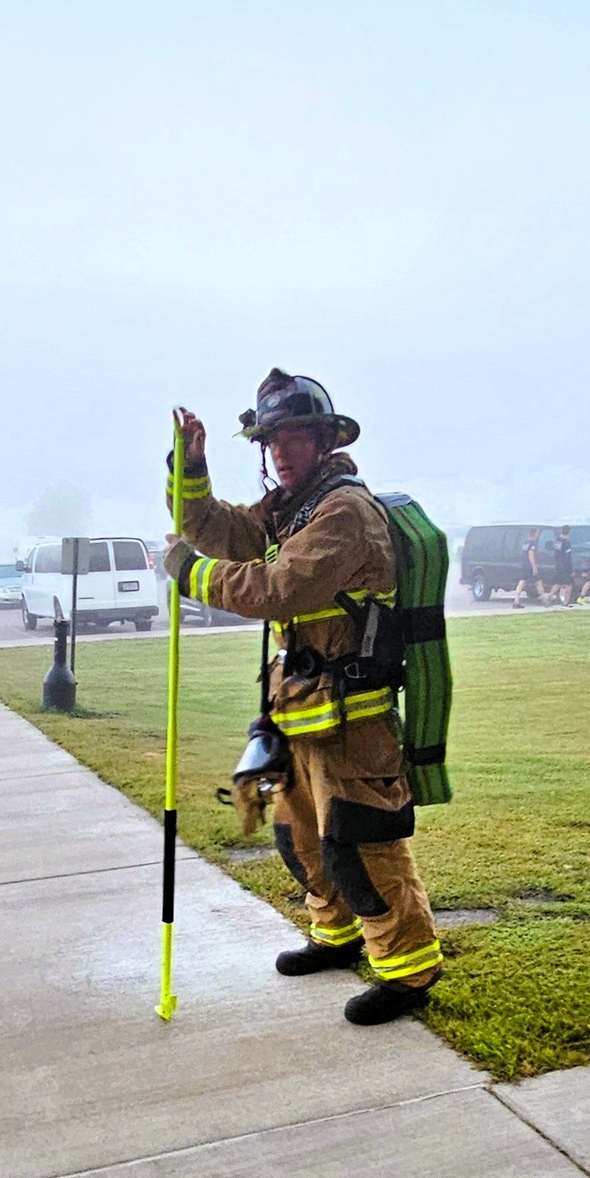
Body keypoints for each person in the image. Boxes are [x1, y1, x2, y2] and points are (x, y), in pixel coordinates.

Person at [163, 368, 443, 1026]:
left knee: (362, 845)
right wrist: (191, 467)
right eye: (269, 442)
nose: (278, 453)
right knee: (302, 837)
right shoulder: (293, 508)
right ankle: (335, 933)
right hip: (304, 712)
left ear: (323, 438)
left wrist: (189, 574)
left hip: (356, 721)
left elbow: (276, 589)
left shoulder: (344, 511)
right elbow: (214, 526)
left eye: (291, 438)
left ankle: (408, 970)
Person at [512, 528, 547, 608]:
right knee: (538, 582)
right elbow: (530, 554)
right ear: (534, 534)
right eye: (537, 533)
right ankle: (545, 601)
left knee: (522, 582)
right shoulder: (533, 543)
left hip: (524, 564)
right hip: (530, 566)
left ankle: (516, 600)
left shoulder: (525, 543)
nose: (538, 535)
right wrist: (534, 566)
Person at [548, 525, 574, 607]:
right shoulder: (567, 543)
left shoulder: (557, 541)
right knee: (568, 585)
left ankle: (548, 597)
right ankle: (566, 602)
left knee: (558, 583)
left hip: (558, 565)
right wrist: (571, 570)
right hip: (565, 567)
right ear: (569, 532)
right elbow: (568, 557)